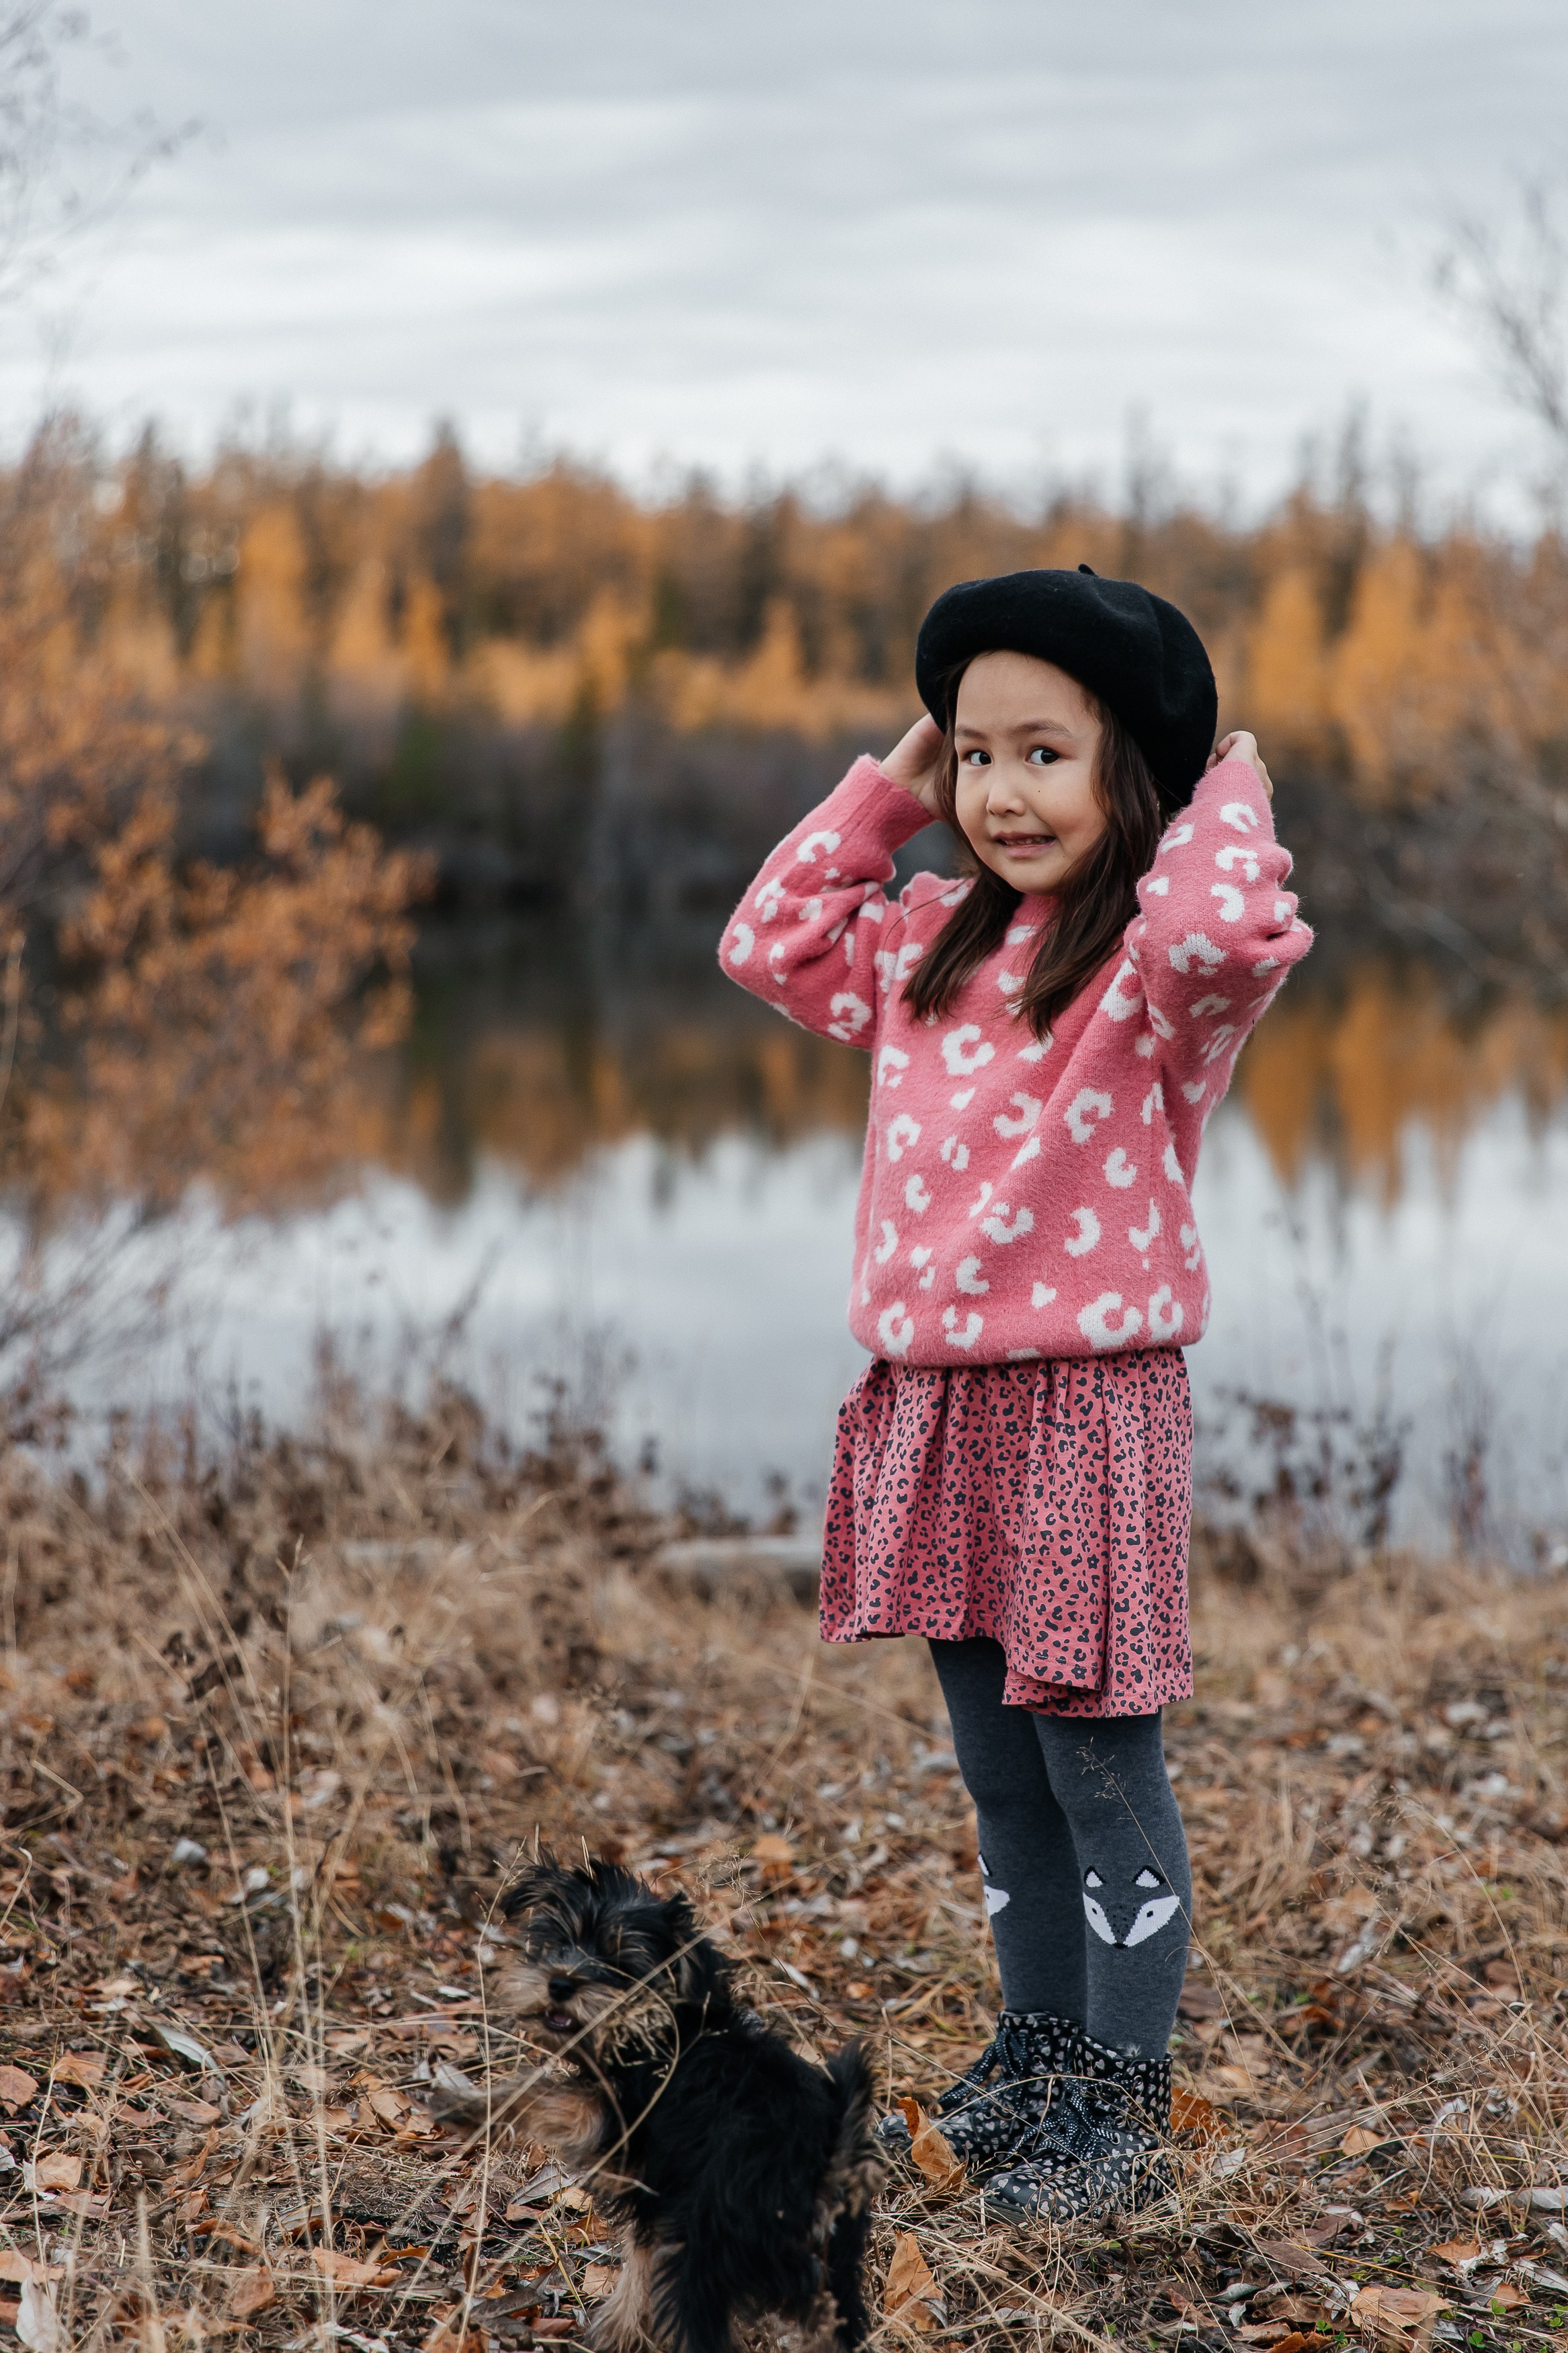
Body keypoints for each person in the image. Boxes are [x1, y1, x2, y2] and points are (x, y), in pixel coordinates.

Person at [718, 566, 1313, 2223]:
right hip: (940, 1405)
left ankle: (1120, 2101)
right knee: (997, 1769)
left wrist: (1228, 778)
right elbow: (761, 940)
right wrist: (891, 785)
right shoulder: (921, 943)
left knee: (1097, 1766)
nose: (1000, 791)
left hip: (1085, 1412)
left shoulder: (1156, 980)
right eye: (976, 755)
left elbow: (1220, 919)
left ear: (1130, 773)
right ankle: (1041, 2046)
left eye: (1046, 752)